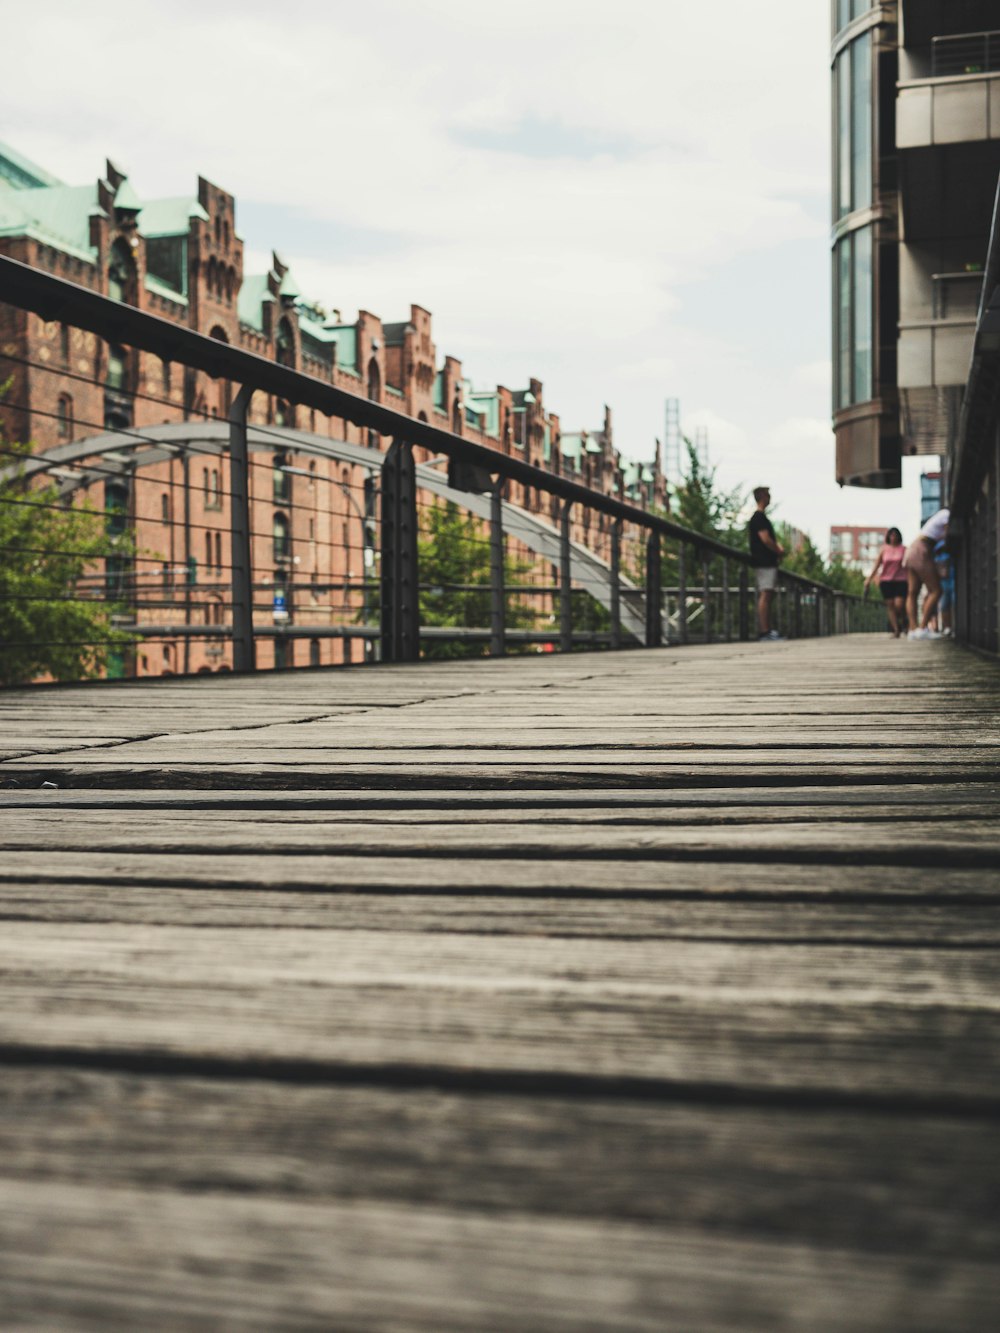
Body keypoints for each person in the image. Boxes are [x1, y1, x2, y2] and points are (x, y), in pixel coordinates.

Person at [904, 507, 949, 639]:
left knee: (912, 592)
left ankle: (913, 630)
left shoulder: (936, 518)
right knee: (937, 590)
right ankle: (923, 628)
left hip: (912, 549)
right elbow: (948, 536)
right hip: (922, 550)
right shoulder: (946, 514)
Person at [747, 486, 786, 641]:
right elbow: (765, 539)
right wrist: (778, 549)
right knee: (766, 594)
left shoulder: (759, 518)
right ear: (762, 496)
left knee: (768, 594)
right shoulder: (759, 518)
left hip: (765, 562)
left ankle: (767, 630)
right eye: (768, 494)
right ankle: (765, 631)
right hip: (764, 562)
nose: (770, 497)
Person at [863, 527, 908, 637]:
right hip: (886, 581)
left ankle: (904, 621)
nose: (893, 537)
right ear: (888, 537)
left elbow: (909, 565)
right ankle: (896, 630)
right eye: (891, 535)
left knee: (899, 605)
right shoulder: (884, 549)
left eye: (895, 535)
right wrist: (869, 579)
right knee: (890, 606)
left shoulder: (904, 549)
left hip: (901, 580)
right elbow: (877, 565)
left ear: (899, 536)